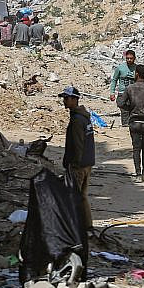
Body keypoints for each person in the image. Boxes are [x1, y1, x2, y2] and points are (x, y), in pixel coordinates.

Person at [61, 86, 95, 231]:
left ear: (74, 99)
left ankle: (73, 227)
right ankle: (87, 225)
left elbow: (77, 144)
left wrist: (73, 164)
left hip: (79, 165)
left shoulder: (77, 120)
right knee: (82, 196)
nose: (64, 101)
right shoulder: (84, 117)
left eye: (66, 98)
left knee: (74, 196)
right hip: (88, 162)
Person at [109, 50, 137, 126]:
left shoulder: (137, 68)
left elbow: (140, 82)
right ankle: (125, 127)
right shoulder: (120, 68)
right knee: (124, 112)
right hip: (122, 94)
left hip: (133, 95)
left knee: (133, 113)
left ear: (134, 58)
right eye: (127, 58)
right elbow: (114, 80)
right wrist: (112, 92)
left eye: (131, 58)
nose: (129, 60)